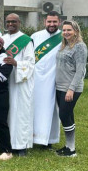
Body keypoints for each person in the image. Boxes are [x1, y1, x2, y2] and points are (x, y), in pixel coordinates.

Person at [2, 13, 35, 156]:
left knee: (20, 113)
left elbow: (31, 63)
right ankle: (4, 143)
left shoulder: (26, 40)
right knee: (4, 113)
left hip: (20, 82)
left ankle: (21, 145)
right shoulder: (2, 39)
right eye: (8, 21)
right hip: (4, 81)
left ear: (19, 22)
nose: (10, 24)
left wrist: (16, 63)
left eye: (13, 22)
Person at [55, 20, 88, 157]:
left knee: (64, 115)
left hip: (71, 88)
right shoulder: (64, 45)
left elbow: (80, 71)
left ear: (76, 31)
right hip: (60, 87)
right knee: (68, 115)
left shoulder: (80, 47)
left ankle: (72, 149)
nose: (66, 32)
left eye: (69, 30)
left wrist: (71, 89)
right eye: (64, 30)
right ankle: (69, 146)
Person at [32, 11, 62, 148]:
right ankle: (33, 137)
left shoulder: (64, 37)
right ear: (45, 22)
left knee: (52, 110)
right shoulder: (35, 36)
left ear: (59, 22)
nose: (51, 24)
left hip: (54, 80)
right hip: (36, 80)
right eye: (49, 22)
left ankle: (49, 140)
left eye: (54, 22)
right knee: (34, 108)